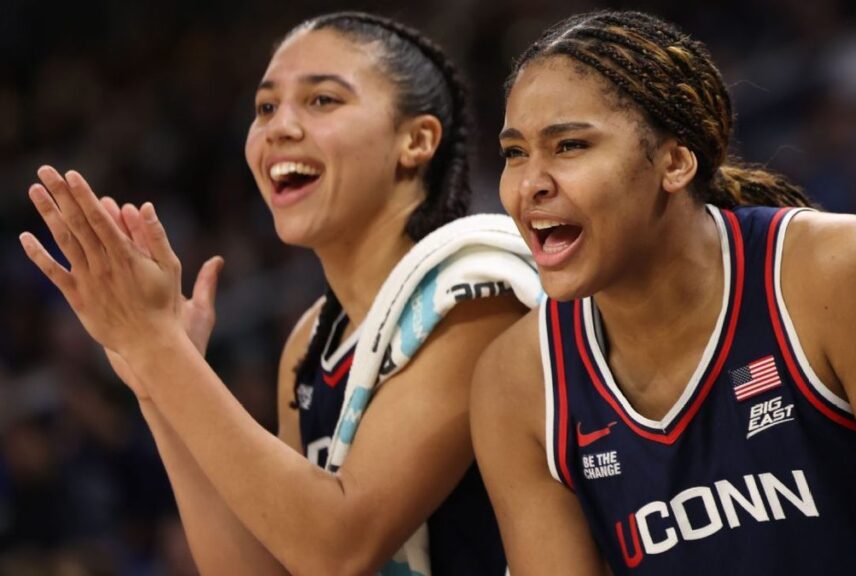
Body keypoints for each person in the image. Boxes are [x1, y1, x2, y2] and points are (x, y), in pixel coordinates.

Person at [471, 10, 856, 575]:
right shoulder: (517, 382)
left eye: (568, 146)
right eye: (515, 153)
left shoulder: (842, 276)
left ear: (674, 162)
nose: (530, 184)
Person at [20, 12, 531, 575]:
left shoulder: (477, 295)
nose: (278, 127)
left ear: (416, 140)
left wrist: (160, 350)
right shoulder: (310, 344)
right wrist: (157, 384)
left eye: (323, 101)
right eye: (265, 107)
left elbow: (337, 549)